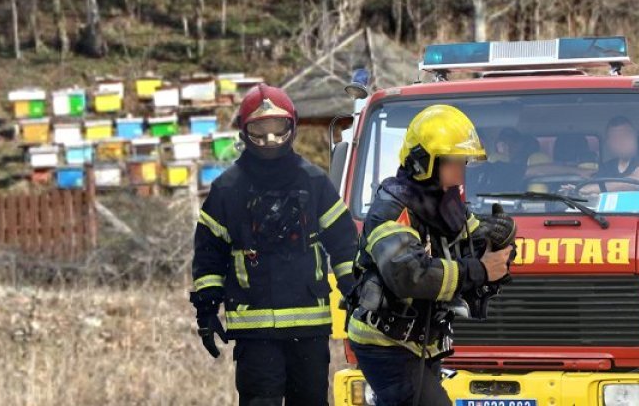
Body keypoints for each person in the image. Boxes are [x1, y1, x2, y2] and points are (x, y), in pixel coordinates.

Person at [190, 84, 359, 406]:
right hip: (255, 333)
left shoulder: (314, 181)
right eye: (259, 131)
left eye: (278, 130)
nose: (270, 140)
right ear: (244, 131)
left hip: (309, 329)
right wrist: (206, 309)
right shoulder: (227, 189)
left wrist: (356, 293)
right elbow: (209, 256)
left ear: (292, 126)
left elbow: (344, 245)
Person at [347, 105, 515, 405]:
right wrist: (480, 270)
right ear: (425, 162)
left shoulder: (445, 205)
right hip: (385, 343)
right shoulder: (393, 209)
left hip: (421, 341)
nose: (462, 170)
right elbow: (410, 275)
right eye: (455, 161)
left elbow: (476, 247)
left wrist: (501, 241)